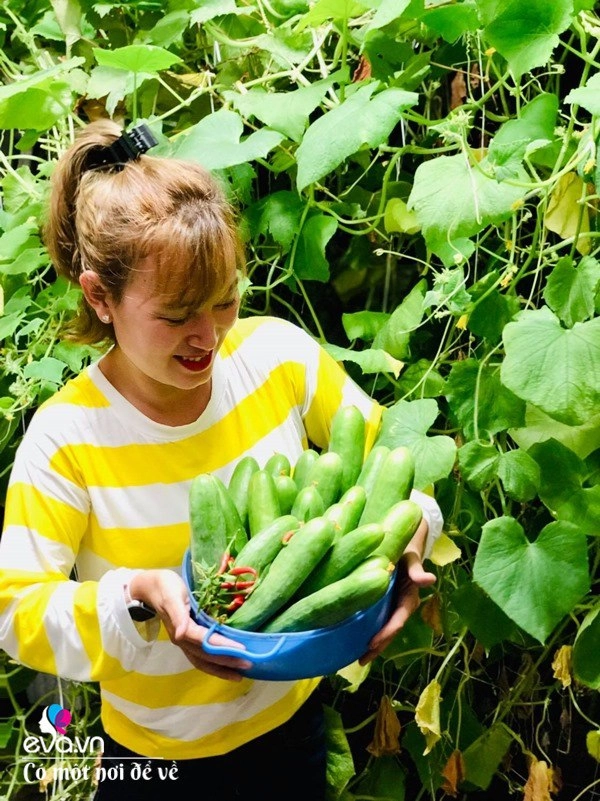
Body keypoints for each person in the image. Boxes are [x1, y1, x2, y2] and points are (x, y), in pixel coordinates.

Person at [0, 120, 442, 800]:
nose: (208, 335)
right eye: (177, 314)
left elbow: (388, 461)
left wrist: (413, 531)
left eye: (225, 299)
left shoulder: (278, 358)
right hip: (156, 765)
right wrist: (137, 596)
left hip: (294, 726)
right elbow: (15, 613)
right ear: (100, 297)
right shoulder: (66, 440)